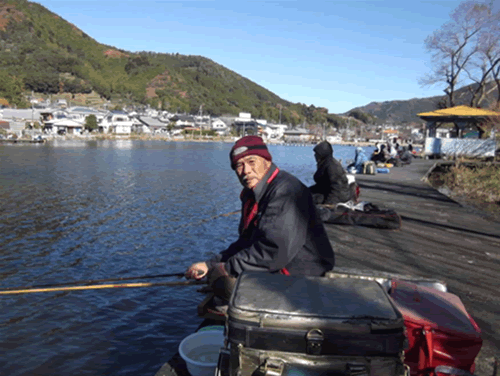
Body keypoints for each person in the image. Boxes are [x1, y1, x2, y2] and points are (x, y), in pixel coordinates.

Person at [185, 136, 335, 301]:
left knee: (226, 284)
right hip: (278, 265)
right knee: (221, 280)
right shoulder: (252, 194)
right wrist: (210, 264)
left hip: (301, 273)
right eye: (239, 165)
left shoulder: (285, 191)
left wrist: (227, 269)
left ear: (267, 161)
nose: (246, 171)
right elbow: (247, 241)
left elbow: (274, 250)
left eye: (251, 162)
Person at [309, 140, 352, 205]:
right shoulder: (324, 163)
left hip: (338, 196)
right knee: (304, 194)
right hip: (326, 191)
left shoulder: (332, 166)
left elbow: (337, 187)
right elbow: (322, 184)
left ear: (322, 154)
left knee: (309, 199)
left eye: (317, 154)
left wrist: (328, 203)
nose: (315, 155)